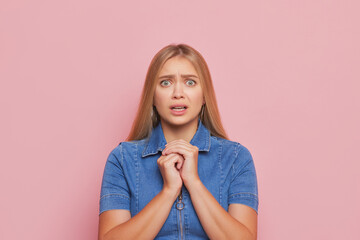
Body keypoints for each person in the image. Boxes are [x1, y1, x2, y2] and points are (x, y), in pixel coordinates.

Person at [98, 43, 259, 240]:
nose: (178, 93)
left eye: (190, 82)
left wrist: (193, 182)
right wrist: (169, 191)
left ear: (204, 96)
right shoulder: (122, 159)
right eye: (165, 83)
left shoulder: (235, 158)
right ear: (153, 97)